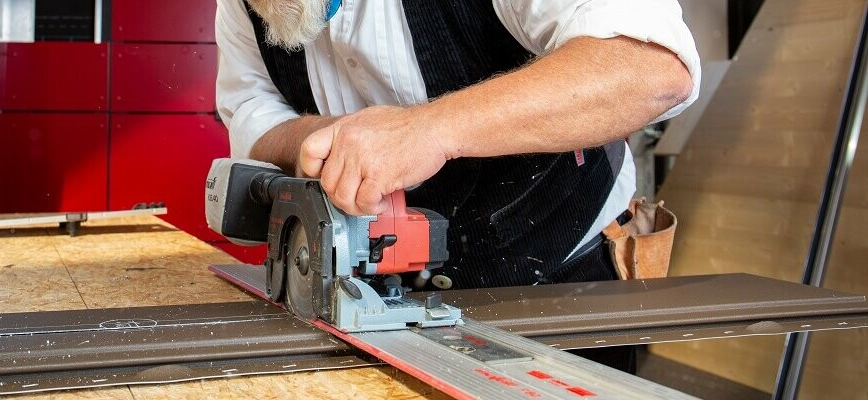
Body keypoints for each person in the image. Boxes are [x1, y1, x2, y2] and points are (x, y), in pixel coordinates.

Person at [215, 0, 700, 372]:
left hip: (565, 275)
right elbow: (251, 108)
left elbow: (650, 66)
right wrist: (323, 138)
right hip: (382, 298)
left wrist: (427, 129)